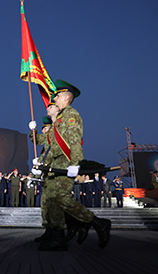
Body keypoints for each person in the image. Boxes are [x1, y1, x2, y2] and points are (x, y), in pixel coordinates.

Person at [30, 79, 111, 251]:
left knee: (62, 198)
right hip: (54, 165)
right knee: (52, 200)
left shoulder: (71, 115)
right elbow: (46, 142)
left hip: (65, 163)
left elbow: (75, 140)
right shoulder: (59, 119)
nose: (54, 98)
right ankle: (57, 235)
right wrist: (34, 133)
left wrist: (75, 163)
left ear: (66, 98)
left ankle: (97, 223)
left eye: (57, 95)